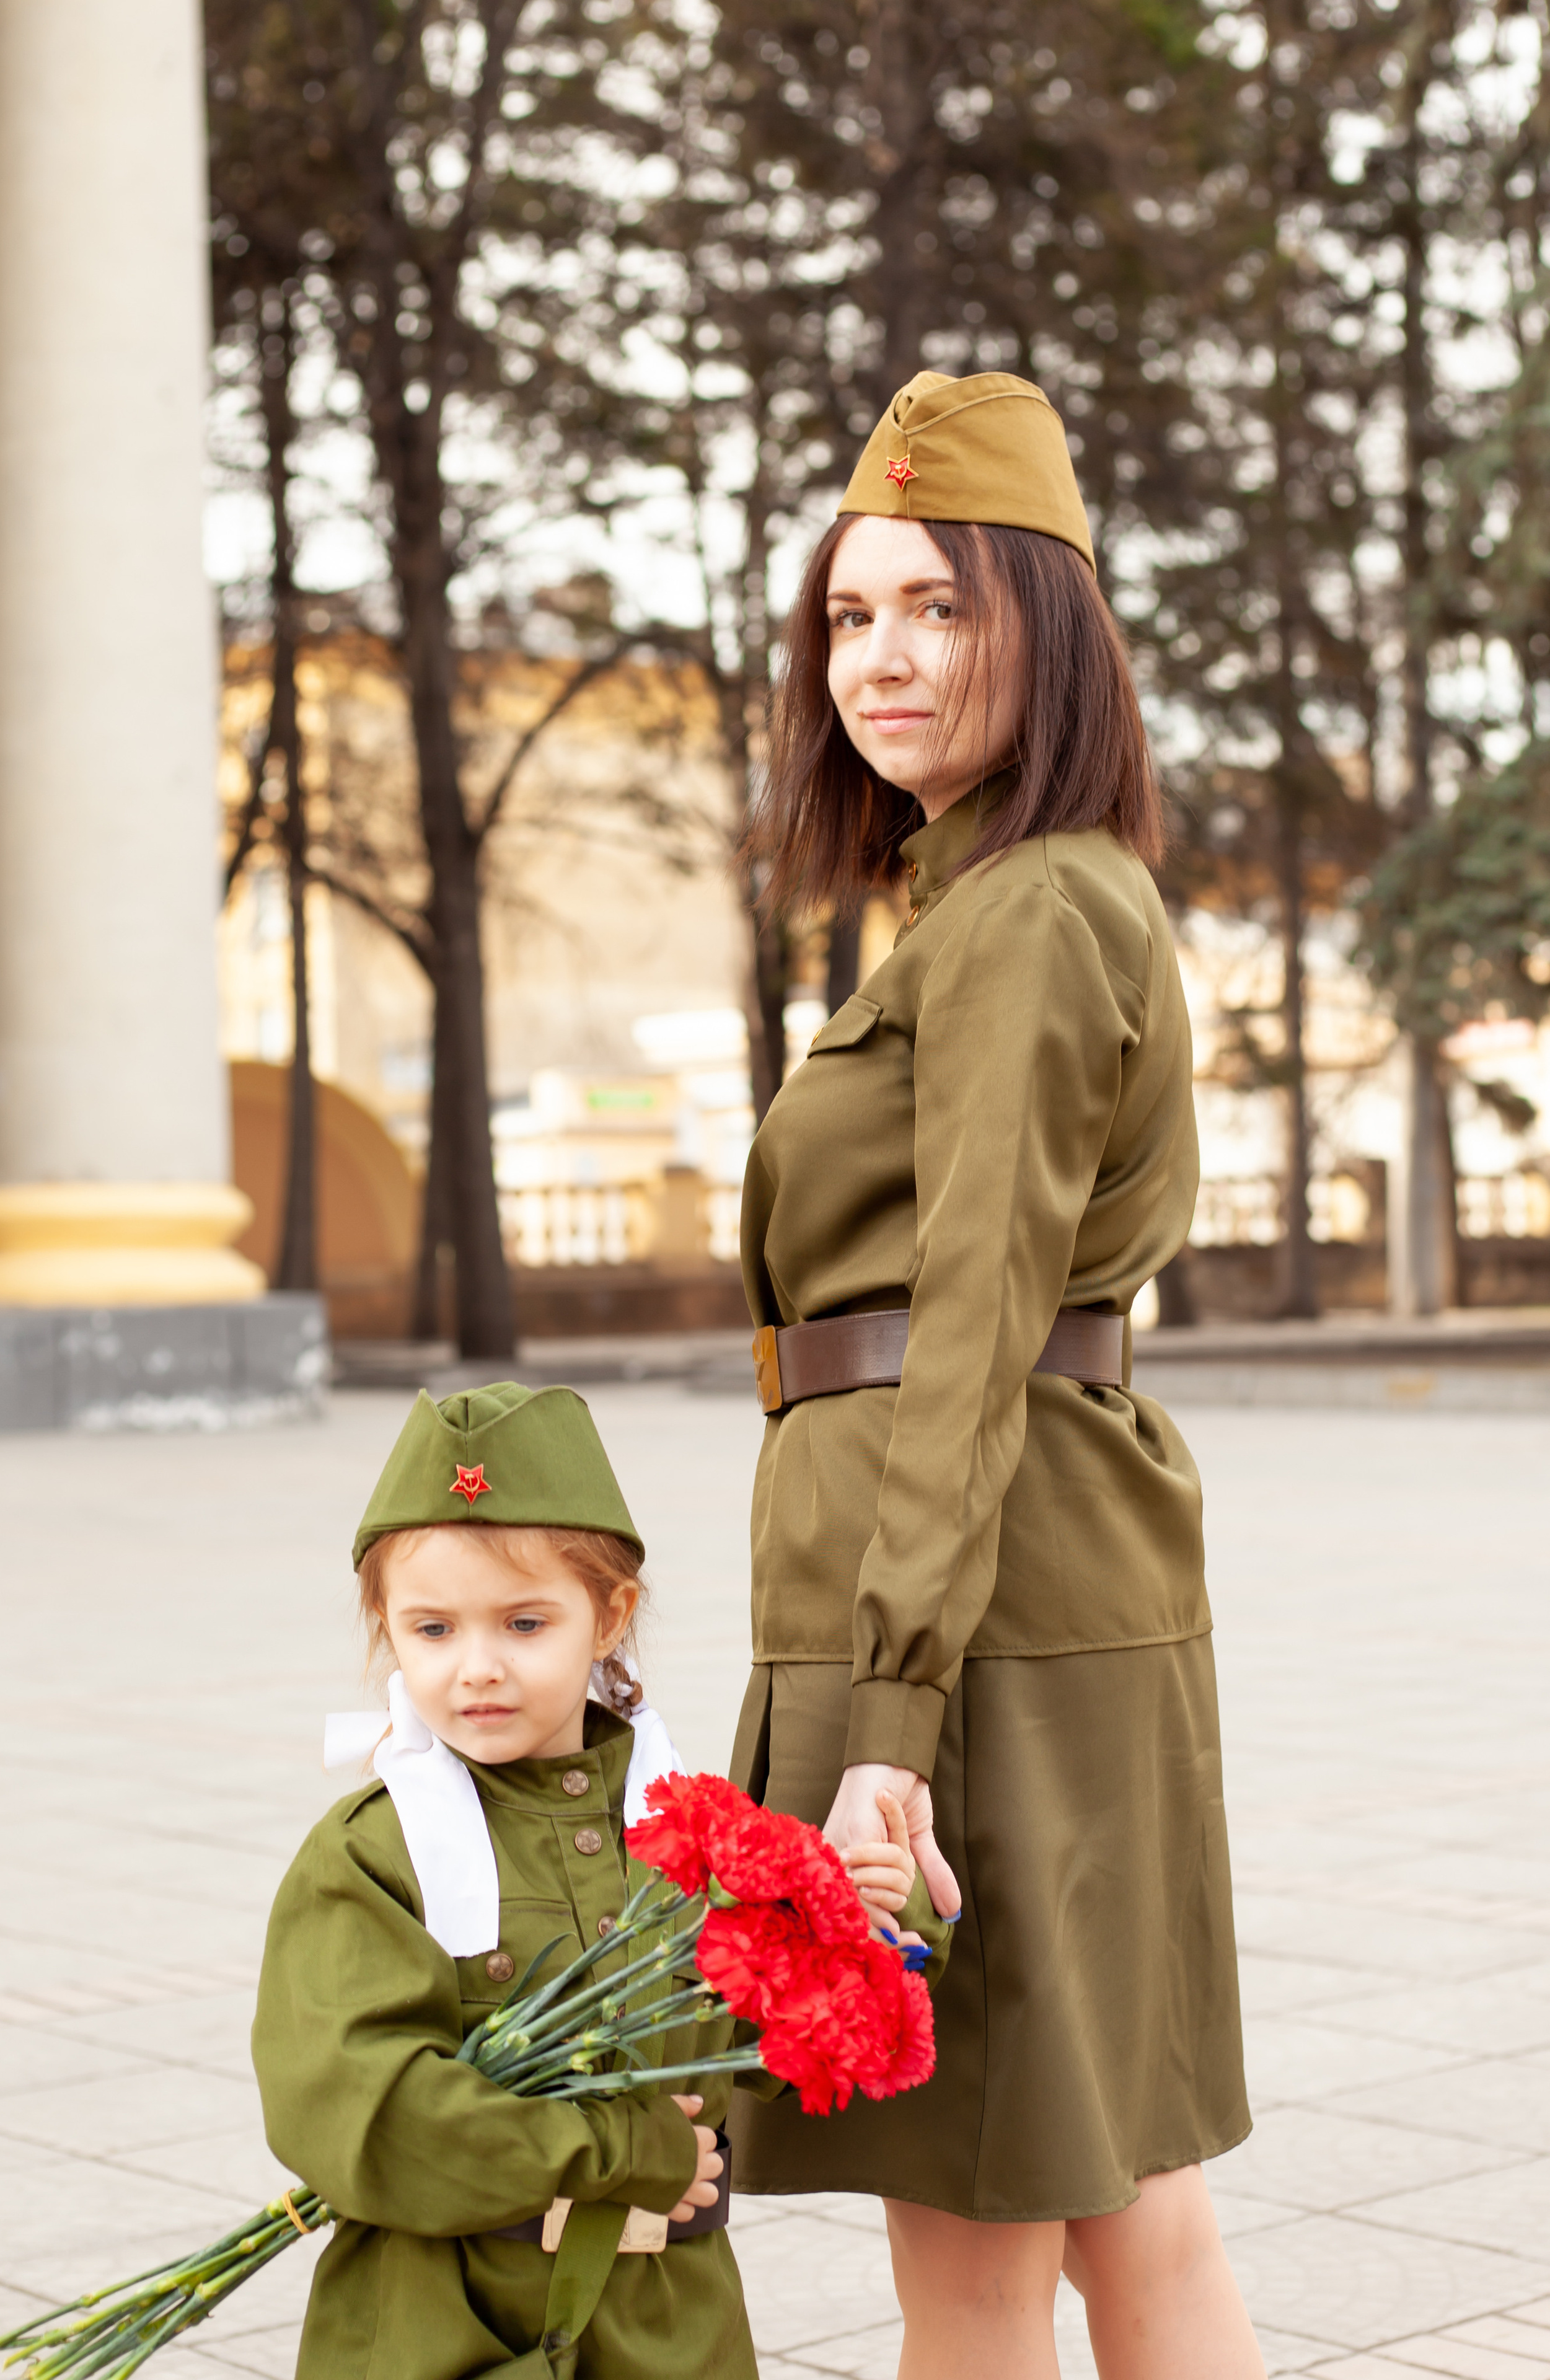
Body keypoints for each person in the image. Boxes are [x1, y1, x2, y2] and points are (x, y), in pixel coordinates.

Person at [726, 372, 1264, 2380]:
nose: (884, 657)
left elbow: (965, 1323)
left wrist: (885, 1732)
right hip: (1034, 1597)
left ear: (1050, 626)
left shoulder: (1030, 911)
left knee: (971, 2239)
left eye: (941, 607)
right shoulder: (993, 896)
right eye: (852, 615)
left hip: (969, 1623)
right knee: (1129, 2205)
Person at [252, 1381, 948, 2380]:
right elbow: (361, 2114)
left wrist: (875, 1913)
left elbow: (781, 2051)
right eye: (433, 1629)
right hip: (439, 2328)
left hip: (668, 2333)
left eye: (525, 1624)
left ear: (609, 1614)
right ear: (385, 1624)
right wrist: (623, 2153)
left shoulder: (693, 1833)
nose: (477, 1668)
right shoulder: (371, 1854)